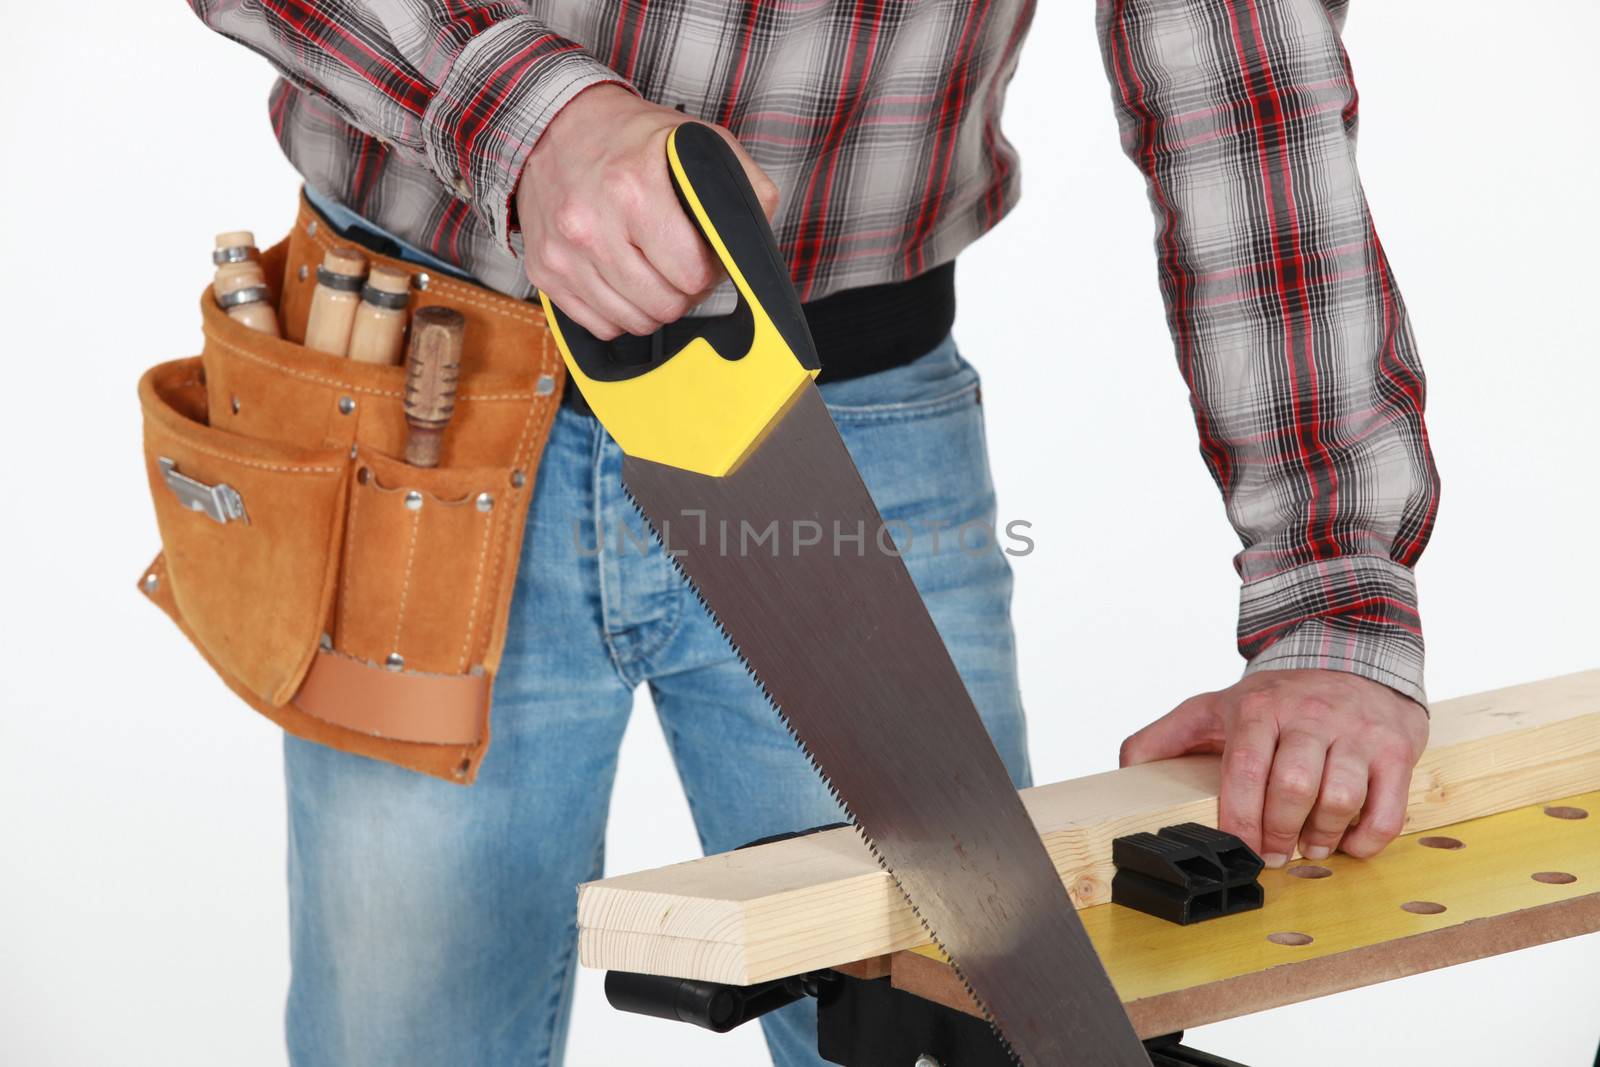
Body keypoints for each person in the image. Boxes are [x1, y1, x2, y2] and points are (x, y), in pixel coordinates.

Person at [186, 2, 1439, 1064]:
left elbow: (1241, 83)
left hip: (844, 403)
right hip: (411, 390)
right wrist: (525, 118)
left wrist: (1330, 586)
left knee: (980, 1013)